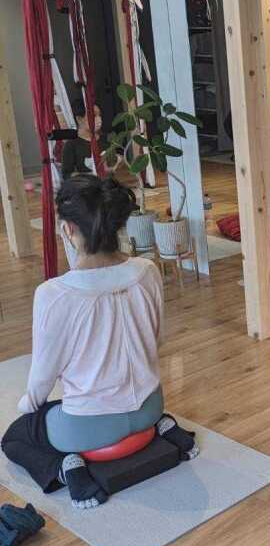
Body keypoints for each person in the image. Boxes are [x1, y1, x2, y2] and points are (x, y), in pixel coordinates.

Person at [1, 175, 198, 510]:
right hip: (150, 406)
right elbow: (157, 339)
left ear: (68, 230)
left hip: (90, 429)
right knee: (77, 408)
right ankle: (164, 427)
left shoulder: (52, 294)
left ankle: (65, 469)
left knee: (15, 437)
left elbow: (42, 379)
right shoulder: (148, 270)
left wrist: (30, 406)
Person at [60, 101, 102, 179]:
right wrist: (91, 175)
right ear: (79, 119)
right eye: (94, 116)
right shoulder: (71, 144)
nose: (99, 119)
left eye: (99, 115)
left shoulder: (106, 139)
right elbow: (66, 175)